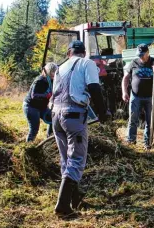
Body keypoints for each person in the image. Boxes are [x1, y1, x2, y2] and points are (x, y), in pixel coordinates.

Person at [51, 40, 110, 217]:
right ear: (83, 53)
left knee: (66, 160)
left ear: (69, 53)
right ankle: (62, 206)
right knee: (76, 160)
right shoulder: (87, 64)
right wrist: (102, 113)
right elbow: (94, 88)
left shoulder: (60, 68)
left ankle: (74, 200)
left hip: (56, 116)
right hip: (73, 116)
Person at [121, 44, 154, 150]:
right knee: (133, 119)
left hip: (150, 97)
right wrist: (124, 92)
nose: (141, 57)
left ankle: (147, 143)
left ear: (148, 53)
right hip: (135, 96)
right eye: (139, 55)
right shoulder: (133, 63)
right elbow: (125, 78)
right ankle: (131, 141)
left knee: (150, 120)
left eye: (143, 54)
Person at [23, 62, 58, 142]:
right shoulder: (39, 81)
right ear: (47, 72)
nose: (54, 76)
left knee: (53, 119)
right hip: (31, 107)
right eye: (52, 74)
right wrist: (47, 96)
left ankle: (49, 139)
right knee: (34, 128)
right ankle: (29, 146)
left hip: (42, 107)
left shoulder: (52, 81)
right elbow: (34, 95)